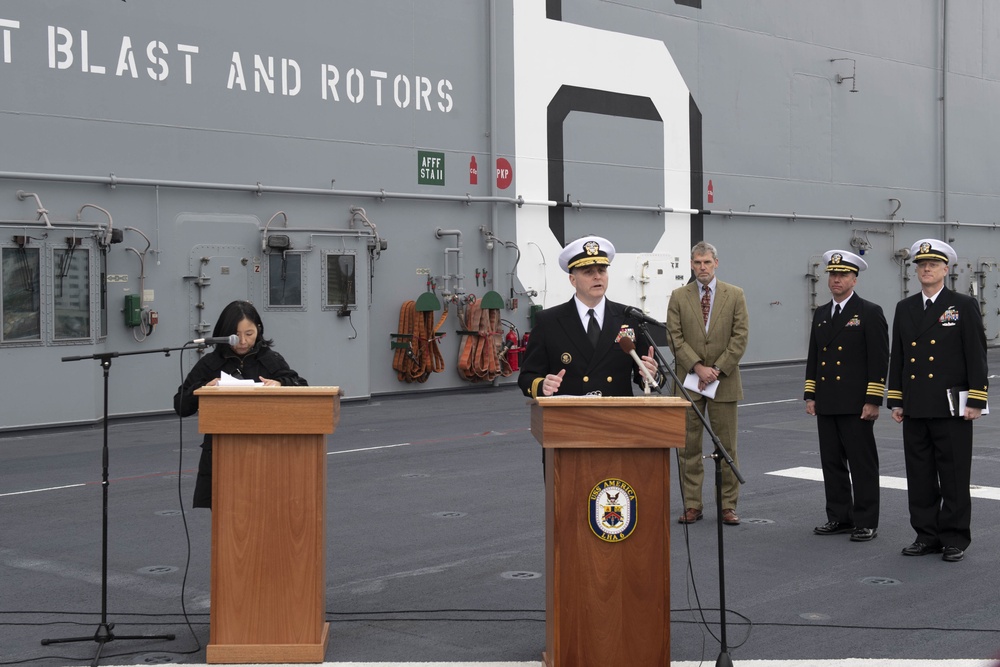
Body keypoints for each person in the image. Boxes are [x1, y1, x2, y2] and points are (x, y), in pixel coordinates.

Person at [887, 239, 988, 562]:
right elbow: (899, 357)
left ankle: (955, 537)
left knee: (954, 474)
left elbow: (976, 354)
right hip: (916, 405)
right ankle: (926, 535)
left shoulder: (962, 304)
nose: (926, 269)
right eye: (921, 265)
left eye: (932, 264)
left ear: (947, 269)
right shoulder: (906, 308)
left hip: (951, 406)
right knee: (919, 475)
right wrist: (897, 400)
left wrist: (977, 398)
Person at [174, 300, 308, 508]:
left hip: (266, 453)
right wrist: (203, 389)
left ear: (259, 330)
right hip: (222, 453)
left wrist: (280, 383)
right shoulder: (210, 364)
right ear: (224, 333)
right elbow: (180, 405)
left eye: (249, 333)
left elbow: (302, 386)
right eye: (236, 335)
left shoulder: (270, 359)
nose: (243, 341)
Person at [804, 249, 888, 542]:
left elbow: (879, 360)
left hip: (856, 403)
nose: (835, 279)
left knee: (861, 463)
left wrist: (873, 400)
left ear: (854, 279)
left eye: (842, 275)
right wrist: (810, 395)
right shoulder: (822, 313)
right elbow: (815, 356)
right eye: (832, 274)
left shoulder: (869, 312)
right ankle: (839, 516)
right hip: (827, 400)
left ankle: (866, 520)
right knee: (831, 462)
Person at [666, 241, 749, 525]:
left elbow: (740, 337)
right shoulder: (678, 296)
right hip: (688, 381)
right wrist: (698, 367)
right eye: (697, 262)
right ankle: (692, 505)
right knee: (687, 447)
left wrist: (716, 369)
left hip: (723, 381)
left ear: (716, 263)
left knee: (726, 447)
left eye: (707, 262)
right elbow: (673, 337)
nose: (702, 267)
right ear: (691, 264)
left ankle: (728, 506)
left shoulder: (735, 295)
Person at [518, 235, 659, 400]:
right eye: (588, 272)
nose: (597, 276)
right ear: (573, 280)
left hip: (618, 417)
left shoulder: (629, 317)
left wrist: (651, 375)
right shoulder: (549, 322)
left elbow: (650, 377)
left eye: (602, 270)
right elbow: (527, 377)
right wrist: (543, 385)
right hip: (570, 417)